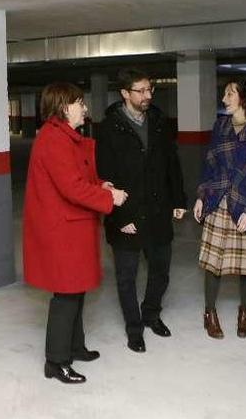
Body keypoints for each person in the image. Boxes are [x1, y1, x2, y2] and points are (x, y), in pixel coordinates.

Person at [22, 82, 128, 384]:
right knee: (66, 296)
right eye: (79, 102)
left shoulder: (64, 137)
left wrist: (100, 187)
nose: (84, 107)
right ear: (64, 107)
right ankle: (56, 362)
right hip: (62, 233)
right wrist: (109, 198)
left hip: (71, 228)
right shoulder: (54, 140)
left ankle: (75, 346)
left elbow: (78, 178)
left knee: (75, 291)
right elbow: (70, 187)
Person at [96, 68, 187, 353]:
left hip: (158, 211)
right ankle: (134, 329)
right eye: (141, 91)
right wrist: (119, 217)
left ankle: (151, 314)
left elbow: (172, 163)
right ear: (125, 93)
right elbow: (104, 177)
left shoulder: (158, 121)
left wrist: (179, 200)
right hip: (127, 216)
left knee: (161, 271)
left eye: (150, 89)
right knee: (126, 278)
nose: (148, 95)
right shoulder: (109, 128)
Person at [193, 80, 246, 339]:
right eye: (224, 94)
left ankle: (244, 312)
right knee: (212, 263)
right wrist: (200, 197)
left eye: (230, 94)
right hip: (217, 201)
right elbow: (210, 163)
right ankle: (209, 312)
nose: (224, 98)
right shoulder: (220, 126)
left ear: (244, 99)